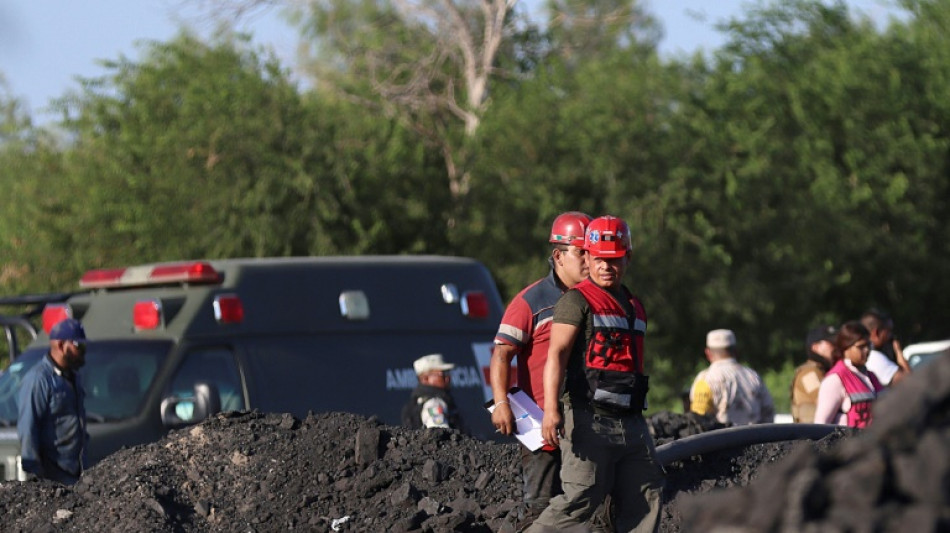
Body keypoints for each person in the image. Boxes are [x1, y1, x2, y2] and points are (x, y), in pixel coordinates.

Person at [528, 215, 665, 533]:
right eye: (599, 259)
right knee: (581, 497)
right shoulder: (576, 300)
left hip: (631, 420)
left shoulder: (634, 305)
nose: (606, 266)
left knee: (647, 494)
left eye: (614, 259)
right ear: (587, 257)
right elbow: (556, 355)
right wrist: (551, 410)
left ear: (628, 258)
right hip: (588, 417)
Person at [490, 211, 591, 523]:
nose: (588, 261)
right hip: (541, 425)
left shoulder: (596, 300)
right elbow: (502, 354)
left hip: (585, 423)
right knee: (541, 508)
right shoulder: (531, 301)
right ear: (558, 256)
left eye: (592, 252)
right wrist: (501, 403)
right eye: (581, 253)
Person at [17, 318, 90, 484]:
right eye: (79, 346)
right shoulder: (38, 379)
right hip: (52, 476)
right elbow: (28, 428)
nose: (83, 351)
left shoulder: (73, 377)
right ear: (61, 345)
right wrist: (35, 477)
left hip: (76, 473)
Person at [688, 329, 775, 425]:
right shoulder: (754, 377)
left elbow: (698, 419)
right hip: (755, 434)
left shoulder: (705, 379)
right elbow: (768, 413)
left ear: (708, 353)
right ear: (736, 351)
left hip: (723, 435)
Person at [814, 321, 884, 427]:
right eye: (861, 347)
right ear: (846, 348)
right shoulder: (835, 380)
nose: (867, 350)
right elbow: (820, 425)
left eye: (869, 345)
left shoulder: (871, 377)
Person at [401, 353, 463, 430]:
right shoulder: (433, 404)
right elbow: (440, 433)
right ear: (425, 379)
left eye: (448, 373)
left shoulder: (419, 400)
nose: (448, 378)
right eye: (442, 374)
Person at [790, 324, 837, 423]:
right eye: (831, 343)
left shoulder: (824, 370)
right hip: (811, 431)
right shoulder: (809, 374)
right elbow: (825, 400)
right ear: (815, 347)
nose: (835, 348)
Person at [860, 308, 909, 385]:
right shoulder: (875, 358)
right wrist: (898, 351)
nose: (891, 336)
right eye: (888, 331)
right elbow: (910, 381)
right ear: (876, 333)